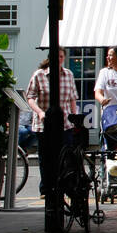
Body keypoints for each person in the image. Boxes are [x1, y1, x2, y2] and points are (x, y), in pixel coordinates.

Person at [25, 50, 78, 195]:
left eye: (61, 57)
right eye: (56, 56)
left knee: (66, 156)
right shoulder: (39, 75)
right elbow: (30, 97)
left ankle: (64, 186)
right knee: (46, 157)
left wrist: (74, 117)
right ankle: (47, 188)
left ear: (64, 58)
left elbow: (73, 98)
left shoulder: (68, 75)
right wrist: (40, 112)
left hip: (65, 123)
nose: (59, 59)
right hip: (45, 124)